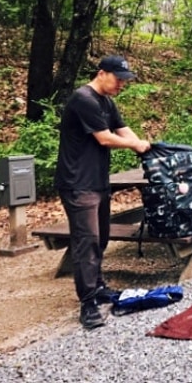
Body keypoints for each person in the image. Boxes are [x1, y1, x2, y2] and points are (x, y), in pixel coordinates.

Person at [54, 55, 151, 329]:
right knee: (87, 240)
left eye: (124, 80)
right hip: (77, 183)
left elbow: (122, 129)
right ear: (101, 73)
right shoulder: (83, 99)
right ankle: (88, 302)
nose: (121, 84)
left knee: (102, 237)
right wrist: (135, 146)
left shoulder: (107, 102)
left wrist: (146, 146)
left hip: (97, 181)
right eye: (118, 78)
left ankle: (97, 286)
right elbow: (105, 138)